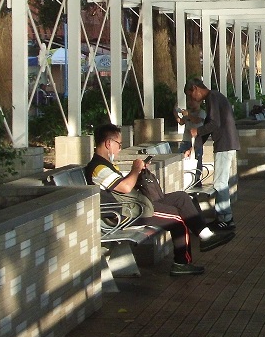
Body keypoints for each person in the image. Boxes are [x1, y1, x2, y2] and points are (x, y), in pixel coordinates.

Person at [85, 123, 234, 276]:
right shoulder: (98, 168)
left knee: (181, 198)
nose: (120, 149)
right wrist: (135, 169)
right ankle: (181, 263)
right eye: (119, 144)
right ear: (108, 143)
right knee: (177, 219)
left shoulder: (106, 165)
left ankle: (205, 235)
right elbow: (125, 187)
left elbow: (124, 187)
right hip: (126, 213)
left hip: (134, 205)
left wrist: (139, 171)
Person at [184, 77, 240, 231]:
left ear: (195, 88)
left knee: (220, 183)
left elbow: (213, 124)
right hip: (225, 143)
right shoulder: (214, 97)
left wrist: (196, 131)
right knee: (221, 182)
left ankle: (226, 219)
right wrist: (194, 147)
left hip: (225, 143)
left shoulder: (212, 97)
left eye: (190, 95)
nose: (191, 99)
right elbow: (210, 124)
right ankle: (222, 217)